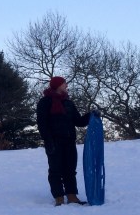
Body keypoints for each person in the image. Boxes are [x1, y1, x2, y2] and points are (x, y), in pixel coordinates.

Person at [36, 76, 97, 206]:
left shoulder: (68, 103)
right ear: (57, 85)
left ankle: (72, 196)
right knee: (55, 170)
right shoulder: (45, 102)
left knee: (70, 169)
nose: (66, 85)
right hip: (53, 142)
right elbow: (42, 124)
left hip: (69, 141)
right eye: (64, 83)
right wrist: (48, 141)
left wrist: (91, 115)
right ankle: (59, 197)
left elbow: (78, 121)